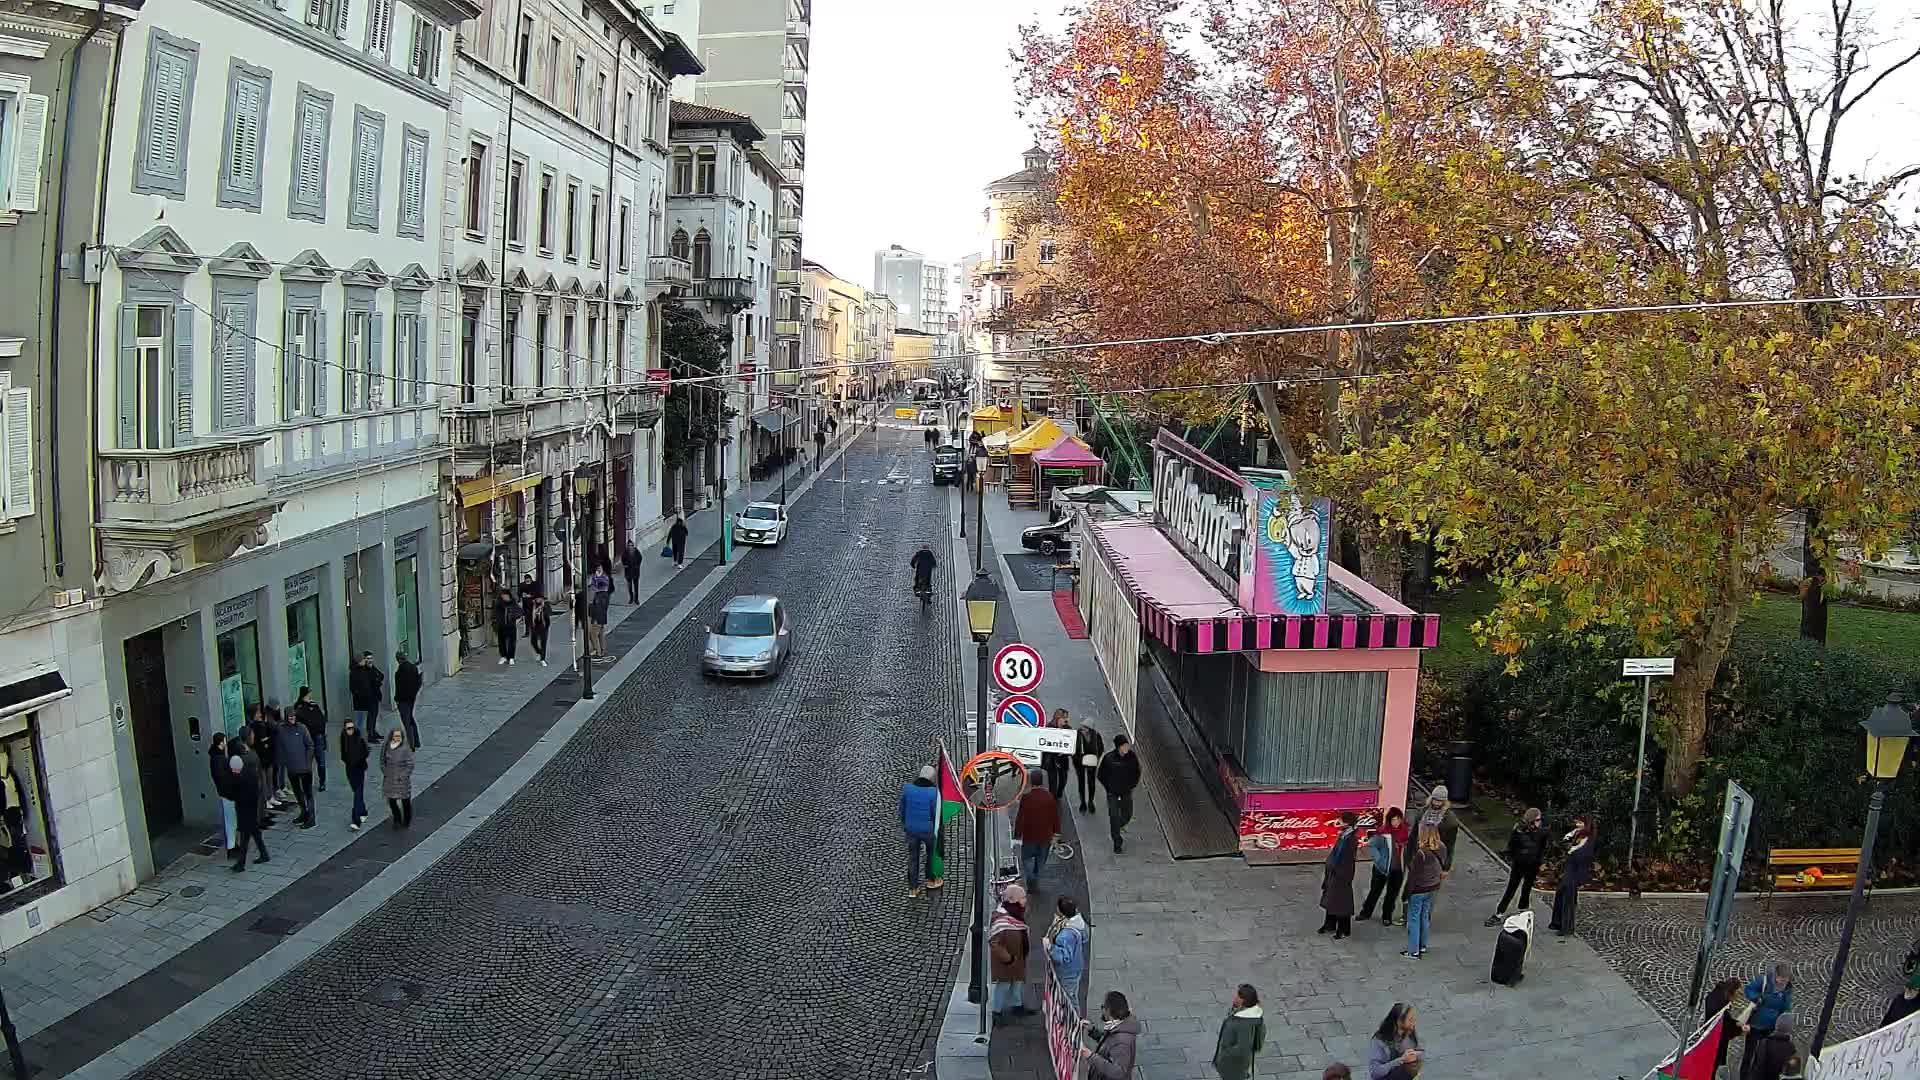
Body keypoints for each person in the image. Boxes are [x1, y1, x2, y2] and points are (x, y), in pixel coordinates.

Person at [1486, 807, 1548, 926]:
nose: (1540, 822)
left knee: (1526, 888)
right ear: (1532, 820)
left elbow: (1542, 848)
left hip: (1532, 864)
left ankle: (1522, 911)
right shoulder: (1519, 831)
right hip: (1520, 864)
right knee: (1512, 888)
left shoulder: (1541, 832)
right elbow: (1512, 847)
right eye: (1538, 819)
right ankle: (1500, 913)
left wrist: (1538, 860)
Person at [1013, 766, 1061, 894]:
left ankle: (1031, 879)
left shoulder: (1027, 797)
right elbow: (1055, 816)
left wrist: (1017, 834)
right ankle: (1035, 877)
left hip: (1030, 835)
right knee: (1041, 861)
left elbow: (1020, 817)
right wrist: (1057, 832)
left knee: (1027, 859)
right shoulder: (1049, 797)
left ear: (1031, 782)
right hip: (1045, 837)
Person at [1739, 962, 1795, 1070]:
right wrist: (1757, 997)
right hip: (1755, 1025)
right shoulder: (1763, 981)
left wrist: (1784, 1019)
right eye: (1782, 979)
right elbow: (1748, 990)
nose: (1783, 982)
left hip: (1770, 1028)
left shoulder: (1787, 989)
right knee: (1749, 1054)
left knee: (1762, 1056)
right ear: (1776, 976)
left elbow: (1786, 1007)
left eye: (1786, 980)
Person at [1401, 825, 1446, 960]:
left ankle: (1413, 951)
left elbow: (1413, 876)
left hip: (1419, 889)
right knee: (1425, 916)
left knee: (1413, 919)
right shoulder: (1442, 847)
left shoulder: (1421, 853)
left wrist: (1405, 894)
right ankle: (1423, 946)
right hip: (1433, 887)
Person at [1549, 815, 1597, 937]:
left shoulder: (1587, 838)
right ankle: (1558, 923)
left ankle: (1566, 927)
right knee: (1561, 893)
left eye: (1580, 823)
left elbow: (1582, 855)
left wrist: (1570, 849)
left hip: (1576, 871)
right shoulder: (1575, 834)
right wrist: (1568, 843)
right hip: (1570, 869)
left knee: (1568, 898)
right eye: (1577, 823)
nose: (1577, 825)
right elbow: (1564, 844)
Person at [989, 882, 1032, 1019]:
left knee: (1017, 983)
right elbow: (995, 944)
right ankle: (997, 1011)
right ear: (1014, 900)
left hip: (1017, 958)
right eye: (1022, 898)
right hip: (1007, 962)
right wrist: (1008, 959)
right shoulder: (1002, 919)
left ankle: (1017, 1006)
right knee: (1004, 985)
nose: (1025, 900)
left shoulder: (1016, 914)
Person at [1358, 808, 1407, 926]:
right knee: (1375, 891)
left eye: (1398, 820)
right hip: (1381, 869)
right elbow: (1372, 846)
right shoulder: (1382, 832)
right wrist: (1379, 861)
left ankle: (1387, 915)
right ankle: (1365, 912)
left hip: (1397, 869)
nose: (1396, 822)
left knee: (1392, 894)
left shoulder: (1405, 831)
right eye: (1393, 820)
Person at [900, 764, 942, 897]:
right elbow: (935, 813)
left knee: (913, 857)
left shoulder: (908, 789)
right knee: (930, 854)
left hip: (911, 829)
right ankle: (930, 880)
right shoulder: (933, 793)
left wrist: (905, 824)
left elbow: (902, 809)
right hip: (928, 830)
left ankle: (913, 888)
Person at [1318, 811, 1360, 939]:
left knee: (1342, 902)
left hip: (1342, 875)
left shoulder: (1351, 839)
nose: (1339, 822)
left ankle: (1344, 929)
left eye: (1341, 820)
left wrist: (1341, 874)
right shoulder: (1343, 835)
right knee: (1331, 899)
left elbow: (1347, 860)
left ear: (1347, 823)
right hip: (1334, 872)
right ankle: (1330, 924)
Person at [1097, 734, 1142, 854]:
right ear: (1118, 747)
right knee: (1113, 815)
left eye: (1127, 745)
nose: (1127, 747)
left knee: (1127, 814)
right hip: (1112, 793)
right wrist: (1109, 787)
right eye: (1124, 746)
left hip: (1126, 792)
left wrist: (1131, 785)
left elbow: (1137, 772)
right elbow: (1101, 775)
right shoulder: (1109, 758)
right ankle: (1117, 842)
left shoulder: (1132, 757)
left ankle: (1117, 827)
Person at [1081, 991, 1141, 1079]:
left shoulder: (1122, 1042)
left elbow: (1118, 1073)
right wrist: (1093, 1031)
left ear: (1108, 1011)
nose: (1102, 1010)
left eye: (1103, 1007)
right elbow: (1109, 1043)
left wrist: (1091, 1057)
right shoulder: (1119, 1026)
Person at [1211, 983, 1266, 1080]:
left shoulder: (1243, 1023)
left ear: (1242, 1000)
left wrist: (1225, 1053)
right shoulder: (1250, 1015)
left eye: (1237, 995)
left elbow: (1242, 1048)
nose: (1234, 997)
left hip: (1233, 1067)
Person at [228, 755, 270, 871]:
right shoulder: (251, 773)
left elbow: (233, 795)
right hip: (252, 807)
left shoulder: (237, 778)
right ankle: (263, 854)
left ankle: (241, 863)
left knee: (245, 836)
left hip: (243, 809)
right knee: (254, 832)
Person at [1044, 896, 1089, 1005]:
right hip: (1076, 966)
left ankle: (1073, 1019)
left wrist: (1050, 946)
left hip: (1067, 972)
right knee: (1073, 994)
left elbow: (1063, 957)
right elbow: (1085, 937)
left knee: (1068, 998)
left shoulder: (1066, 935)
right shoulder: (1079, 923)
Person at [275, 709, 316, 828]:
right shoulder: (281, 730)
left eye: (293, 716)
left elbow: (310, 745)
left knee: (308, 794)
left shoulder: (302, 728)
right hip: (292, 769)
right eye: (290, 716)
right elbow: (280, 748)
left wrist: (307, 763)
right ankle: (304, 813)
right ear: (286, 717)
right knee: (298, 793)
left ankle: (311, 818)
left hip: (305, 769)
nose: (292, 718)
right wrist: (283, 763)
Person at [1366, 1003, 1422, 1080]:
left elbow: (1417, 1048)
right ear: (1399, 1021)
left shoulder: (1409, 1031)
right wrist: (1401, 1060)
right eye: (1410, 1019)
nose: (1414, 1022)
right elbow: (1375, 1073)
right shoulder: (1380, 1041)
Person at [1705, 976, 1745, 1075]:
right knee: (1712, 1068)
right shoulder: (1722, 1006)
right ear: (1732, 991)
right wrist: (1740, 1029)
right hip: (1715, 1041)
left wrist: (1735, 1022)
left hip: (1710, 1036)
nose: (1738, 996)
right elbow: (1726, 1028)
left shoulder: (1715, 995)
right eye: (1738, 993)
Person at [1741, 1012, 1798, 1080]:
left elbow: (1758, 1068)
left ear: (1777, 1025)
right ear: (1790, 1029)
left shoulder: (1765, 1043)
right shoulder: (1792, 1049)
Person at [292, 687, 327, 792]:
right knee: (307, 763)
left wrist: (321, 731)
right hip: (307, 738)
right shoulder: (299, 707)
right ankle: (307, 783)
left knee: (321, 761)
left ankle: (322, 782)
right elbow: (301, 723)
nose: (310, 695)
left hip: (318, 737)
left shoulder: (314, 705)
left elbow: (321, 719)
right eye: (309, 693)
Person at [1419, 785, 1461, 872]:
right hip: (1421, 854)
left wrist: (1446, 868)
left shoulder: (1450, 821)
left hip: (1437, 858)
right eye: (1435, 800)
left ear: (1444, 802)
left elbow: (1450, 846)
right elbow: (1414, 834)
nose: (1436, 803)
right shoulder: (1422, 813)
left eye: (1440, 801)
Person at [340, 716, 370, 830]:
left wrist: (359, 760)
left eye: (352, 728)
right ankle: (363, 812)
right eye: (348, 729)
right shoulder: (343, 738)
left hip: (359, 768)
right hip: (349, 769)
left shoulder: (359, 738)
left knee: (357, 794)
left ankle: (356, 820)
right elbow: (343, 753)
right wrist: (348, 761)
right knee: (356, 792)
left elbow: (366, 751)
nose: (350, 730)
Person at [381, 727, 415, 828]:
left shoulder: (405, 749)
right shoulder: (386, 746)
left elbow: (410, 764)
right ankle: (397, 818)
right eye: (395, 736)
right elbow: (382, 761)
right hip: (390, 778)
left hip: (401, 780)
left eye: (399, 736)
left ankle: (406, 820)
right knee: (391, 800)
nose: (397, 738)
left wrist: (403, 775)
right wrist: (386, 772)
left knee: (405, 800)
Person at [207, 733, 234, 854]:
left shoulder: (216, 757)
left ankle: (232, 844)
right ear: (221, 743)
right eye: (224, 741)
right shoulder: (219, 759)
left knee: (230, 819)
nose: (226, 743)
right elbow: (223, 776)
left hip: (224, 791)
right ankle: (231, 847)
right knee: (230, 820)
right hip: (227, 792)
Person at [350, 652, 385, 736]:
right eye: (366, 659)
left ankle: (372, 733)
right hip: (364, 699)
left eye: (370, 658)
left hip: (371, 697)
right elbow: (358, 686)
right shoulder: (359, 671)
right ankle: (365, 737)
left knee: (372, 717)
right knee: (362, 720)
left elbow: (380, 676)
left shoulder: (368, 668)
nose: (367, 660)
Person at [393, 653, 423, 749]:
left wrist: (396, 699)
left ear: (398, 660)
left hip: (403, 700)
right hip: (411, 698)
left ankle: (412, 744)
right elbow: (418, 681)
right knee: (410, 719)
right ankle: (416, 741)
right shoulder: (413, 667)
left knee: (407, 722)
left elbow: (400, 688)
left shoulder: (401, 671)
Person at [1073, 724, 1105, 814]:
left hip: (1091, 763)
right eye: (1082, 727)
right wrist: (1077, 758)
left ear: (1089, 729)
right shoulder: (1077, 735)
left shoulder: (1096, 735)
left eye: (1085, 728)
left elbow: (1101, 748)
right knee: (1081, 782)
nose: (1083, 729)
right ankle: (1082, 802)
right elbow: (1072, 749)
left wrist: (1096, 758)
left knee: (1091, 783)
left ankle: (1091, 802)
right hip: (1079, 763)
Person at [1042, 708, 1072, 801]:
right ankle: (1052, 798)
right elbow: (1044, 743)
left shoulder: (1068, 729)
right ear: (1058, 717)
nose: (1067, 720)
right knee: (1052, 780)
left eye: (1067, 718)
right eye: (1065, 718)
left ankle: (1059, 793)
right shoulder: (1049, 728)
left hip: (1063, 759)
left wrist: (1066, 751)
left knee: (1063, 780)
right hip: (1051, 759)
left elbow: (1071, 744)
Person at [588, 566, 613, 660]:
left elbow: (597, 608)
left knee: (593, 634)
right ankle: (602, 650)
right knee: (601, 633)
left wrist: (593, 618)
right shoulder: (605, 595)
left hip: (598, 617)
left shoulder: (600, 595)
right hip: (602, 617)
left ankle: (597, 651)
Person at [494, 588, 519, 666]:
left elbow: (518, 611)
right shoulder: (499, 603)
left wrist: (516, 618)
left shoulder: (513, 603)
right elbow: (495, 614)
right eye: (503, 596)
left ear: (509, 595)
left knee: (512, 642)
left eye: (505, 595)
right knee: (501, 642)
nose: (504, 597)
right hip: (501, 625)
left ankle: (511, 657)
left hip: (511, 625)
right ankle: (503, 656)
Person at [528, 597, 552, 666]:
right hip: (535, 625)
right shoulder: (532, 604)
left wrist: (542, 610)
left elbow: (549, 613)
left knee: (543, 642)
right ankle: (539, 652)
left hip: (543, 625)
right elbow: (528, 613)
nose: (538, 600)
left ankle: (542, 659)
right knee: (533, 641)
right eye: (537, 598)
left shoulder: (546, 604)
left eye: (540, 598)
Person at [620, 539, 643, 603]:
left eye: (631, 545)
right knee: (629, 586)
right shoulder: (625, 553)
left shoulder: (636, 551)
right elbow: (623, 559)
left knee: (636, 586)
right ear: (627, 546)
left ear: (633, 546)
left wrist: (637, 565)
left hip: (635, 572)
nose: (630, 547)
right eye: (629, 545)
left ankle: (636, 599)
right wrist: (625, 565)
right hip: (628, 572)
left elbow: (640, 558)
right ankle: (631, 597)